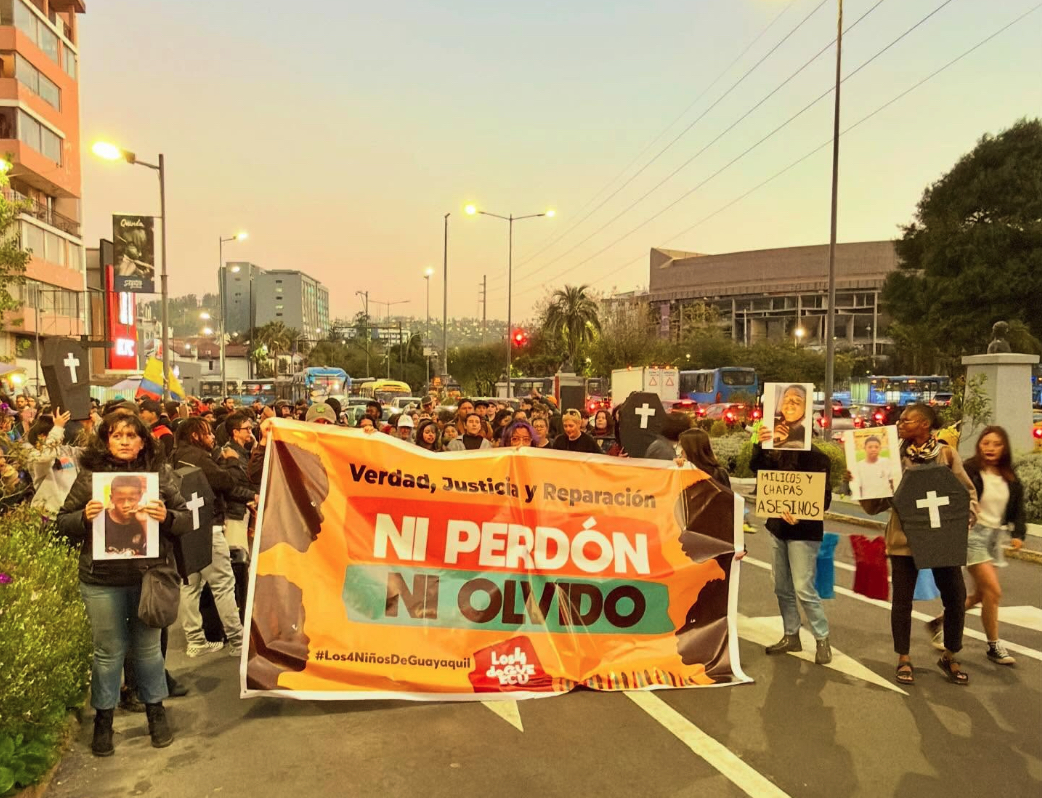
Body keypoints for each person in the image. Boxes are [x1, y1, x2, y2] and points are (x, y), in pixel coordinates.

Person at [57, 411, 189, 756]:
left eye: (132, 436)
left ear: (143, 441)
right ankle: (103, 721)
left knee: (148, 652)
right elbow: (60, 523)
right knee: (108, 653)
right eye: (117, 436)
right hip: (101, 580)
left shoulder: (158, 475)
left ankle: (156, 714)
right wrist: (82, 518)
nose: (125, 441)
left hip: (148, 580)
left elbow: (188, 520)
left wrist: (168, 517)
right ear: (106, 441)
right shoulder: (90, 478)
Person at [859, 403, 977, 686]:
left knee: (954, 597)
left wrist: (967, 516)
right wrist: (863, 483)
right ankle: (903, 657)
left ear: (924, 424)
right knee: (902, 601)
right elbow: (874, 506)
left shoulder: (946, 454)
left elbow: (967, 492)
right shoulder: (892, 458)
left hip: (942, 539)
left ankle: (950, 654)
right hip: (904, 540)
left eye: (907, 420)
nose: (900, 424)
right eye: (900, 421)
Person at [927, 426, 1025, 666]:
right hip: (971, 534)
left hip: (994, 537)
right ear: (979, 445)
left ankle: (940, 621)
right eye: (986, 443)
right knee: (993, 591)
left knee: (982, 594)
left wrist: (1018, 534)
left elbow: (1018, 510)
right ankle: (993, 646)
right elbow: (952, 494)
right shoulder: (969, 469)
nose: (990, 448)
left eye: (996, 444)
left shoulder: (1009, 476)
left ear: (1004, 448)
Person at [171, 418, 254, 659]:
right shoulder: (199, 458)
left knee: (190, 586)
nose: (212, 438)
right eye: (207, 433)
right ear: (196, 435)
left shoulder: (176, 456)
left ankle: (195, 640)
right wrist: (230, 461)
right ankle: (239, 641)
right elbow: (225, 482)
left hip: (186, 531)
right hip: (208, 529)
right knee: (223, 585)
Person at [752, 425, 833, 664]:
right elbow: (757, 470)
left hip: (804, 532)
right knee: (781, 586)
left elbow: (824, 499)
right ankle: (791, 634)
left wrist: (801, 513)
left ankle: (822, 638)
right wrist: (762, 444)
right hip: (777, 528)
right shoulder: (775, 453)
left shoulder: (817, 457)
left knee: (803, 587)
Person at [103, 475, 149, 556]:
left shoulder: (144, 518)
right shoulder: (102, 519)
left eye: (131, 499)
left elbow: (152, 551)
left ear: (140, 497)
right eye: (120, 500)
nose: (126, 505)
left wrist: (144, 522)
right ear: (111, 498)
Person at [771, 384, 808, 450]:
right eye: (785, 400)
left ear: (805, 406)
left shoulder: (804, 434)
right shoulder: (771, 423)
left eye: (797, 400)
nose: (790, 404)